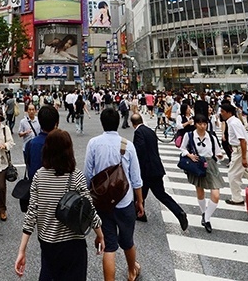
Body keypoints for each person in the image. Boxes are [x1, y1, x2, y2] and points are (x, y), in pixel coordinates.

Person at [15, 130, 105, 280]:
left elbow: (31, 214)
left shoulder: (39, 176)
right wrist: (100, 236)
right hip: (73, 244)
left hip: (48, 244)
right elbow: (90, 211)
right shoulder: (76, 175)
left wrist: (21, 251)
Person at [84, 108, 144, 281]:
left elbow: (88, 173)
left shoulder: (94, 143)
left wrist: (91, 197)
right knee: (128, 241)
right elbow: (136, 179)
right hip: (124, 201)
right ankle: (132, 272)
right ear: (118, 123)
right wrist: (139, 202)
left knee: (109, 246)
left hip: (102, 202)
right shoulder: (127, 145)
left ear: (102, 123)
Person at [131, 113, 189, 230]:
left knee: (138, 193)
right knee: (160, 194)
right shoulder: (150, 131)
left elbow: (140, 151)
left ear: (133, 124)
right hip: (156, 168)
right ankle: (179, 212)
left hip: (146, 170)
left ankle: (139, 213)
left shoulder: (138, 132)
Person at [179, 114, 225, 233]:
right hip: (197, 164)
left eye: (205, 124)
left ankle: (207, 217)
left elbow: (217, 152)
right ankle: (204, 213)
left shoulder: (211, 136)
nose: (202, 126)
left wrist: (219, 156)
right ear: (195, 124)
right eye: (200, 124)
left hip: (211, 165)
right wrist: (189, 155)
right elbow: (182, 148)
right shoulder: (189, 135)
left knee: (216, 194)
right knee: (200, 191)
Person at [220, 103, 248, 205]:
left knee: (232, 175)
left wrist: (244, 157)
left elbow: (242, 140)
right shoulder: (233, 121)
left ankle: (237, 198)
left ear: (228, 112)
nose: (221, 114)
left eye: (223, 111)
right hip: (241, 150)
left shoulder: (233, 123)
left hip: (240, 151)